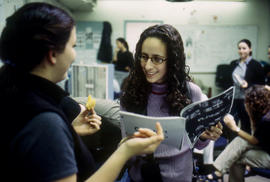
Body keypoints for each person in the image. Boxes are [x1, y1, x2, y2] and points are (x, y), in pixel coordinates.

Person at [0, 3, 164, 182]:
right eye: (73, 46)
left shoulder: (13, 92)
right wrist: (126, 151)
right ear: (52, 54)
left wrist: (68, 131)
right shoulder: (45, 121)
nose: (74, 55)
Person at [120, 24, 223, 182]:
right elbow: (125, 146)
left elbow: (198, 145)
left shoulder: (191, 92)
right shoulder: (130, 93)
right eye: (144, 56)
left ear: (173, 61)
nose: (147, 66)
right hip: (141, 176)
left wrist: (205, 136)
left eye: (157, 59)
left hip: (180, 176)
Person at [206, 85, 270, 182]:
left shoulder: (266, 120)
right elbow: (257, 137)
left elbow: (256, 141)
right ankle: (218, 171)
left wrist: (235, 128)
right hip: (266, 148)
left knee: (235, 157)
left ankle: (218, 172)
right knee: (238, 145)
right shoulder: (264, 113)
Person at [229, 39, 265, 135]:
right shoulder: (233, 64)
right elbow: (229, 81)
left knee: (246, 125)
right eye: (239, 48)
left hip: (247, 99)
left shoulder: (256, 65)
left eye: (244, 48)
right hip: (234, 98)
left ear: (250, 49)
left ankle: (246, 144)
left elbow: (261, 86)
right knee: (231, 124)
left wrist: (248, 85)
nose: (241, 51)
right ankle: (232, 144)